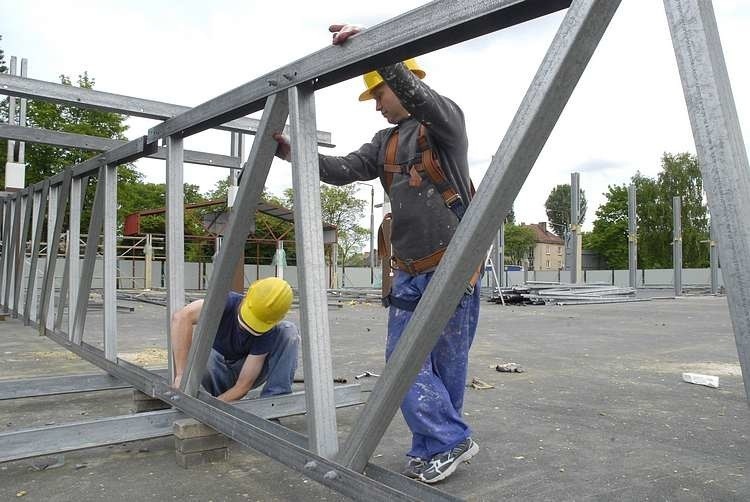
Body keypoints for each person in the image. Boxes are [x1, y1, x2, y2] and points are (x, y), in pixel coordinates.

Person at [273, 24, 480, 484]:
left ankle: (437, 446)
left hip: (453, 268)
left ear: (401, 84)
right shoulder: (383, 143)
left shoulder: (444, 123)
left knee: (445, 367)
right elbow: (342, 169)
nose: (378, 104)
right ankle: (448, 440)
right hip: (409, 273)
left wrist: (381, 50)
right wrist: (292, 152)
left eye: (380, 94)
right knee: (404, 364)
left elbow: (421, 96)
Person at [171, 277, 300, 402]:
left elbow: (243, 385)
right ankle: (212, 394)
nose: (247, 328)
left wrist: (217, 406)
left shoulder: (268, 332)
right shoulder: (224, 302)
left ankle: (274, 402)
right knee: (206, 353)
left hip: (241, 373)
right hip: (213, 371)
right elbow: (182, 317)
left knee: (288, 331)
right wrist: (182, 374)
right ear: (246, 298)